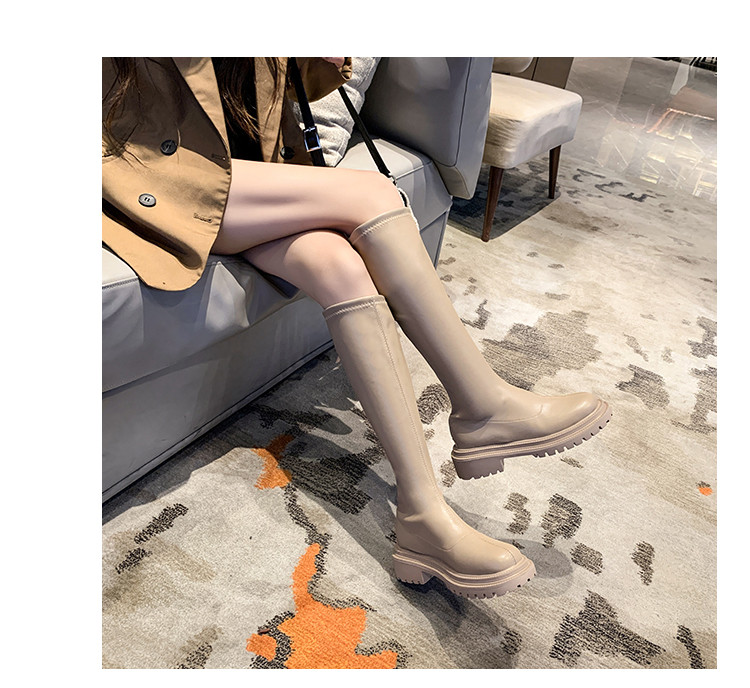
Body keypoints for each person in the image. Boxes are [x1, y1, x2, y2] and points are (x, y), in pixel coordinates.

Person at [102, 57, 612, 599]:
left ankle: (423, 516)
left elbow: (282, 88)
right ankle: (483, 405)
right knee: (371, 194)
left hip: (237, 167)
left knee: (336, 264)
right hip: (143, 175)